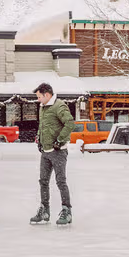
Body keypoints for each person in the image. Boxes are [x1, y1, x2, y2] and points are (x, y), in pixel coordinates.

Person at [30, 83, 75, 225]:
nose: (38, 100)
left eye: (39, 97)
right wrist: (39, 138)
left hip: (58, 151)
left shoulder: (59, 106)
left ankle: (67, 211)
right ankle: (44, 210)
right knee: (43, 181)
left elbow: (70, 123)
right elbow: (43, 125)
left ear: (47, 95)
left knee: (61, 181)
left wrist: (60, 140)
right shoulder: (43, 107)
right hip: (45, 151)